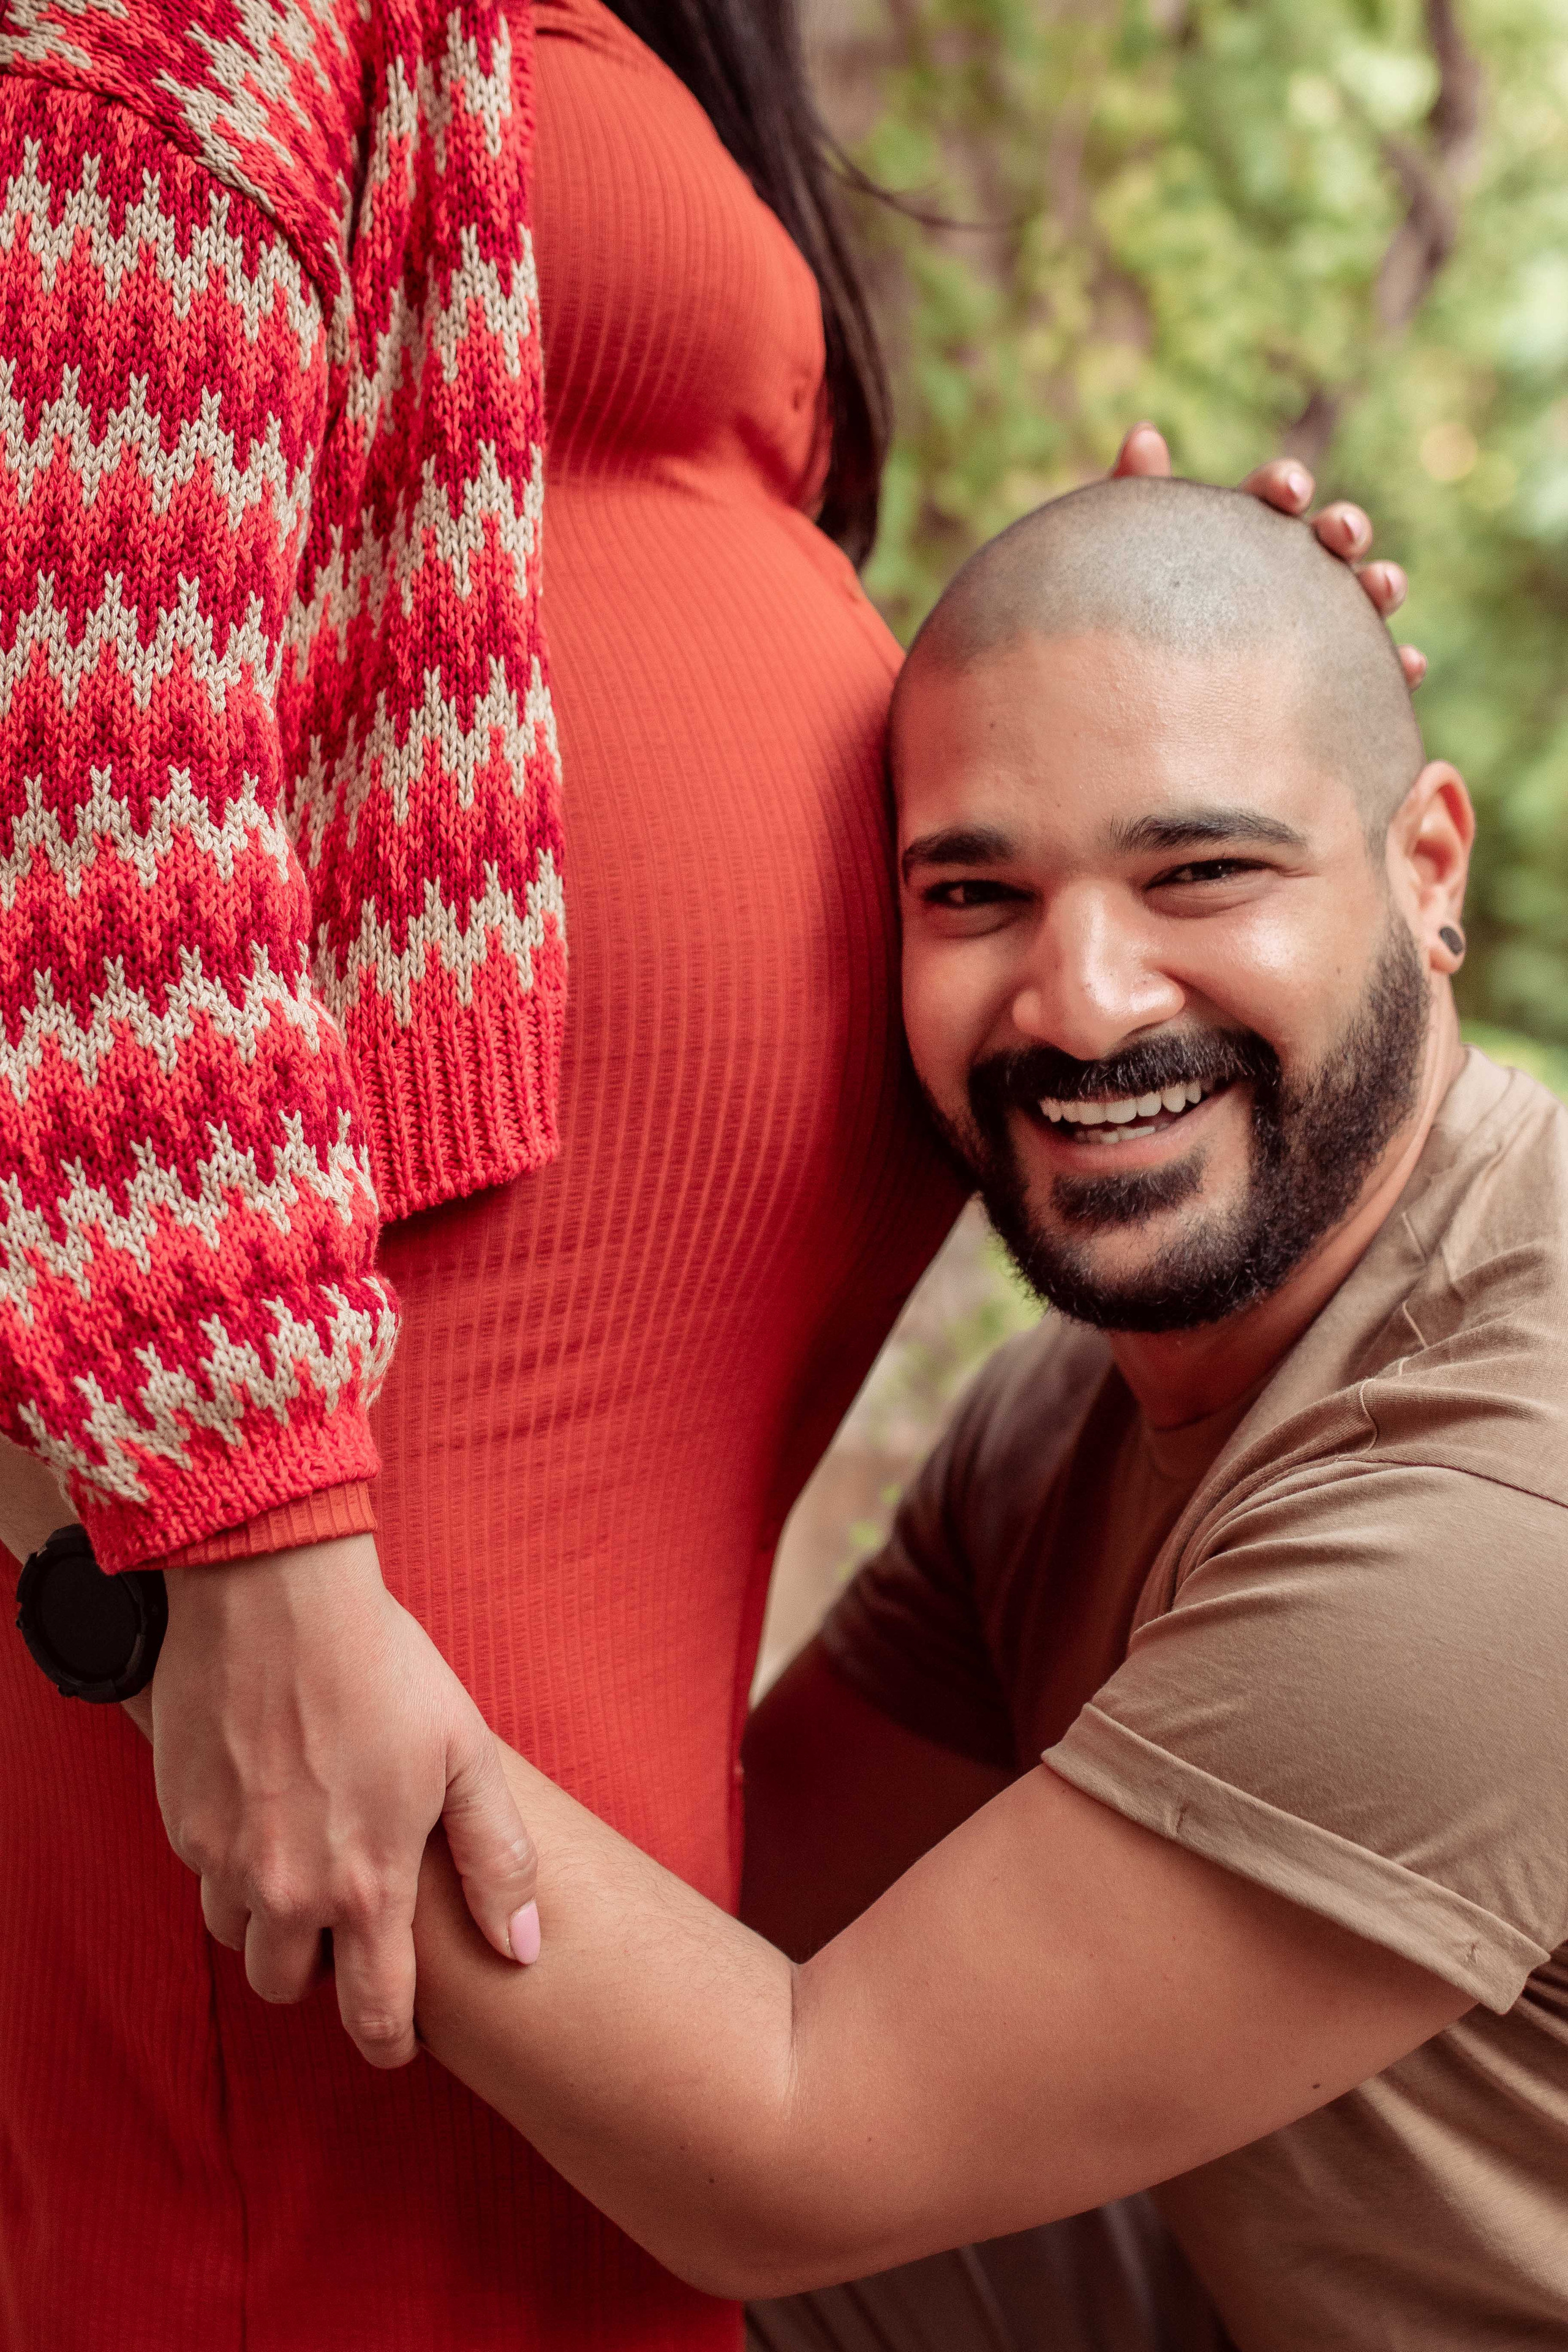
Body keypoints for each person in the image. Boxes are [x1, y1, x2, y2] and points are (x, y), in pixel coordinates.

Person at [0, 0, 1414, 2343]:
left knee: (558, 2265)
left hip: (552, 1497)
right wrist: (238, 1517)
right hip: (328, 1446)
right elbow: (71, 681)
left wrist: (1160, 684)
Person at [382, 479, 1568, 2350]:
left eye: (1202, 872)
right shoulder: (1053, 1436)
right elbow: (733, 1932)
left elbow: (785, 2143)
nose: (1081, 1004)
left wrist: (209, 1586)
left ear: (1428, 869)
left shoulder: (1503, 1502)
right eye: (976, 896)